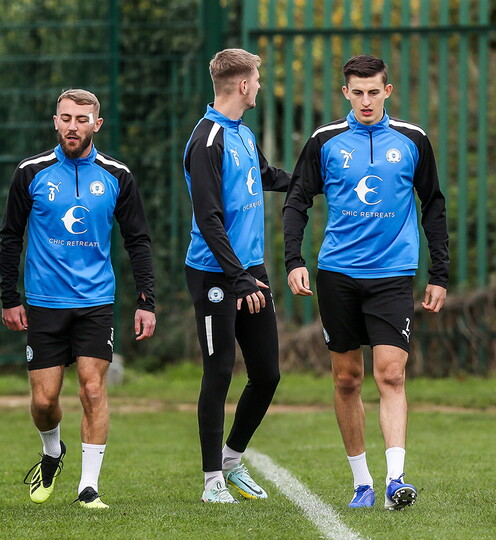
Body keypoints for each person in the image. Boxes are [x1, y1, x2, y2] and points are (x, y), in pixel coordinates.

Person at [283, 54, 448, 510]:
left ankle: (396, 480)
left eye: (374, 91)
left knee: (391, 373)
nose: (366, 101)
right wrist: (293, 259)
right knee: (347, 379)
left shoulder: (412, 140)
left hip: (393, 274)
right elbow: (297, 200)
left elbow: (433, 205)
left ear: (387, 91)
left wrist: (439, 273)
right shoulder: (325, 141)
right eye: (357, 92)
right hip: (337, 274)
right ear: (345, 93)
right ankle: (362, 484)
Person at [0, 88, 155, 509]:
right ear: (55, 121)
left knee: (92, 390)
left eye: (82, 119)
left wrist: (146, 301)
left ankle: (89, 487)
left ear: (96, 124)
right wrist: (9, 297)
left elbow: (138, 240)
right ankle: (52, 450)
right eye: (66, 118)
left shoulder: (117, 175)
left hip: (95, 302)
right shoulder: (31, 172)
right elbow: (10, 237)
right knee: (44, 401)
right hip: (44, 303)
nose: (73, 126)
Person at [183, 49, 290, 504]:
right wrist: (238, 277)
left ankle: (231, 459)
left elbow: (266, 175)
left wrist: (313, 181)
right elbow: (209, 219)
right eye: (258, 79)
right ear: (243, 85)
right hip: (214, 274)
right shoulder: (207, 140)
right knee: (219, 371)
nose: (259, 86)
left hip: (249, 271)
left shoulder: (242, 133)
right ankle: (212, 480)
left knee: (267, 374)